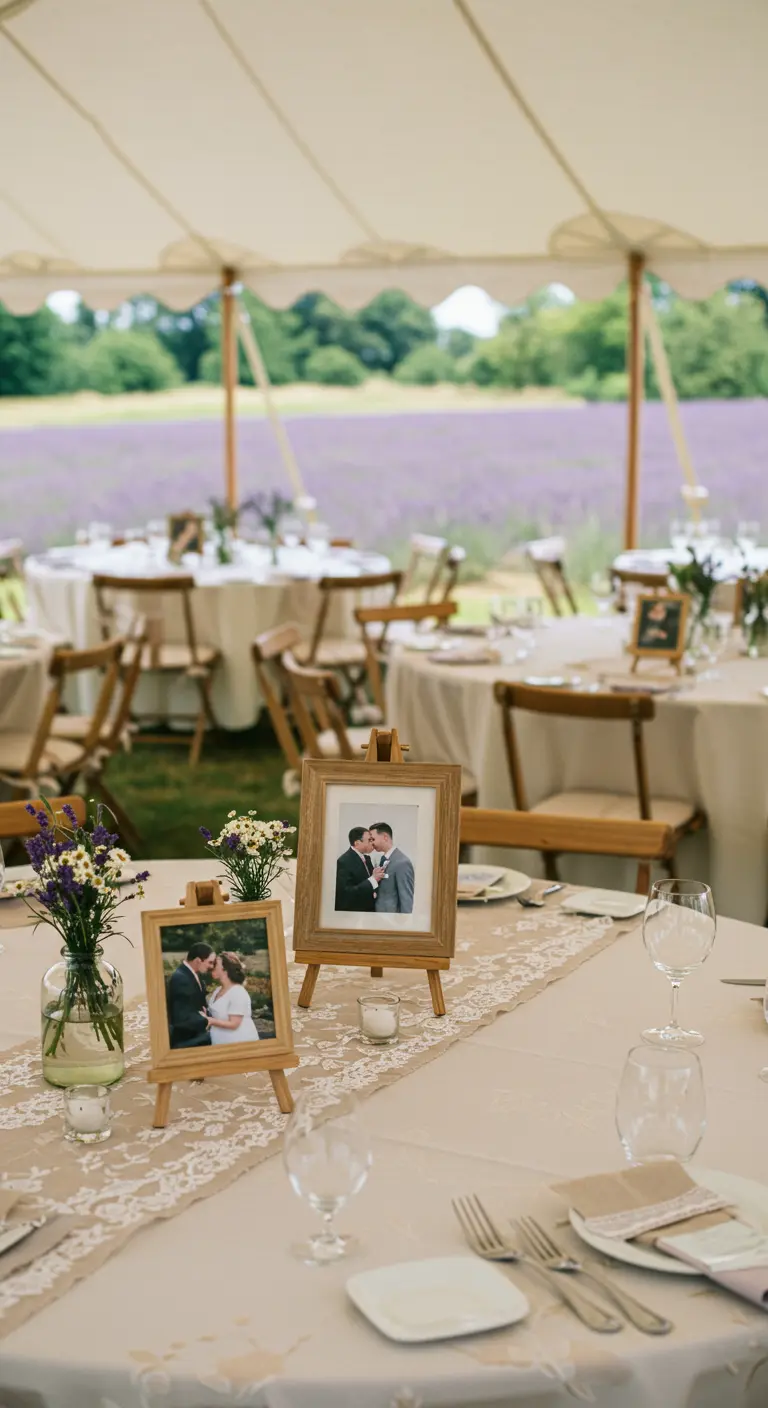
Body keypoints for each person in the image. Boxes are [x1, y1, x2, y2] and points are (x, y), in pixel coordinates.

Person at [203, 952, 260, 1044]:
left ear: (225, 970)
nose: (211, 966)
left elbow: (234, 1024)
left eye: (215, 964)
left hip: (240, 1043)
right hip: (220, 1042)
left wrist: (210, 1021)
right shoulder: (217, 990)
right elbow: (218, 1014)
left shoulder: (238, 992)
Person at [167, 941, 216, 1048]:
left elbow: (198, 1005)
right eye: (210, 962)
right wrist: (206, 1020)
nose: (212, 966)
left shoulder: (192, 975)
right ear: (198, 960)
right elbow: (181, 1016)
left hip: (194, 1032)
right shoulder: (181, 979)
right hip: (184, 1038)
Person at [335, 826, 385, 911]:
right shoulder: (343, 862)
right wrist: (373, 880)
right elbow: (345, 895)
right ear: (357, 843)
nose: (372, 843)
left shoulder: (366, 858)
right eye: (369, 840)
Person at [368, 822, 415, 914]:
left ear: (385, 837)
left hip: (392, 921)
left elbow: (406, 900)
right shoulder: (383, 859)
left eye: (373, 839)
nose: (371, 843)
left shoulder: (402, 862)